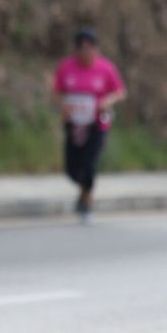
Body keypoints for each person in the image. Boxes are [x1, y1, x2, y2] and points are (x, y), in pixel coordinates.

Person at [52, 28, 126, 223]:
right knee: (71, 167)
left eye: (90, 48)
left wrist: (107, 101)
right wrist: (63, 105)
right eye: (81, 48)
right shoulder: (67, 67)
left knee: (90, 162)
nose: (86, 52)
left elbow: (119, 91)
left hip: (98, 120)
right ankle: (85, 189)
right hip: (75, 120)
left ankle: (86, 202)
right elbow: (57, 91)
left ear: (96, 49)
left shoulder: (105, 68)